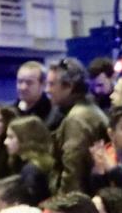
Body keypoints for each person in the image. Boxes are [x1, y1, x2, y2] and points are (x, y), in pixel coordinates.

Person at [47, 58, 110, 198]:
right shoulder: (89, 110)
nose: (48, 90)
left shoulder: (77, 119)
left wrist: (62, 208)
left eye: (52, 84)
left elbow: (73, 174)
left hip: (79, 205)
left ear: (68, 86)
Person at [4, 114, 56, 208]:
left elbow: (30, 204)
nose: (5, 142)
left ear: (26, 139)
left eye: (11, 137)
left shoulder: (31, 170)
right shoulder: (39, 164)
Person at [14, 59, 53, 124]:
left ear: (43, 84)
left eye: (29, 82)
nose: (23, 87)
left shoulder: (53, 115)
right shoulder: (12, 112)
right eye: (20, 82)